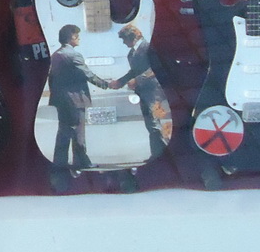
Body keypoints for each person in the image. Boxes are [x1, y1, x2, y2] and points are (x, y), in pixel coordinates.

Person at [48, 24, 108, 172]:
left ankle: (60, 162)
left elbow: (51, 78)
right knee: (78, 131)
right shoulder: (73, 55)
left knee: (63, 131)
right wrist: (105, 84)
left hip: (61, 100)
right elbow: (87, 74)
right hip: (75, 99)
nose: (79, 38)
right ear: (72, 37)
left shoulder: (55, 55)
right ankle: (81, 161)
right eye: (77, 36)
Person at [109, 24, 169, 159]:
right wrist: (120, 81)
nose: (123, 43)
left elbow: (156, 68)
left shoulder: (148, 48)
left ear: (133, 37)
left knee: (156, 122)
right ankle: (157, 154)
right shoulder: (131, 54)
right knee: (151, 124)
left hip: (154, 91)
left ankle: (163, 154)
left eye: (124, 39)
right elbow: (133, 71)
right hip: (142, 92)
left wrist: (137, 80)